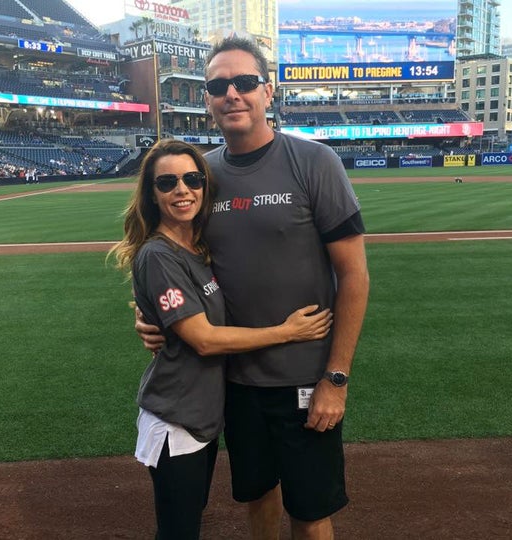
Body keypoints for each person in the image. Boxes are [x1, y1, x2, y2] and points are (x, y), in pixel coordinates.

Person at [137, 37, 370, 539]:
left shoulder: (314, 162)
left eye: (244, 83)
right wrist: (154, 318)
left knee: (309, 513)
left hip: (306, 381)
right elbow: (178, 263)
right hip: (236, 384)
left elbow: (354, 275)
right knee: (258, 498)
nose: (232, 94)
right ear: (207, 99)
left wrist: (336, 378)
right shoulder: (202, 177)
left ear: (268, 92)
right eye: (219, 85)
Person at [109, 139, 333, 540]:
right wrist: (287, 331)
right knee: (179, 530)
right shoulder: (159, 254)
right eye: (167, 183)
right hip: (175, 417)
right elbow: (205, 340)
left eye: (192, 179)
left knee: (189, 519)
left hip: (201, 417)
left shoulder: (195, 247)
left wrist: (148, 316)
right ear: (151, 193)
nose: (182, 190)